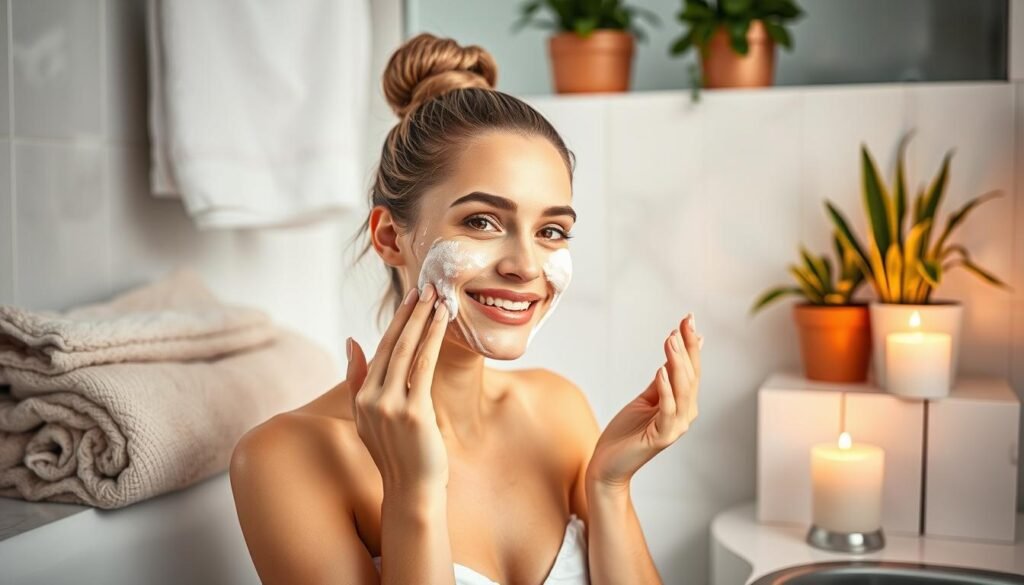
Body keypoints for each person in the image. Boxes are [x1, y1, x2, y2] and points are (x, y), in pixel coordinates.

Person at [229, 32, 703, 585]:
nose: (526, 265)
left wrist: (609, 487)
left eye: (551, 230)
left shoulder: (559, 411)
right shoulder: (284, 459)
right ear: (389, 236)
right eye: (481, 221)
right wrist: (412, 493)